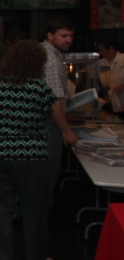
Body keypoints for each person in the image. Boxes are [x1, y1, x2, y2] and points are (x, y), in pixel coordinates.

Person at [0, 40, 60, 260]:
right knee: (34, 208)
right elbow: (56, 114)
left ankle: (2, 256)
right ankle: (37, 257)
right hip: (31, 156)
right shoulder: (39, 89)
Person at [42, 16, 80, 211]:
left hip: (44, 122)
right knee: (48, 173)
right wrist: (66, 130)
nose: (68, 40)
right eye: (63, 35)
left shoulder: (52, 54)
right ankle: (40, 218)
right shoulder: (50, 59)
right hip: (49, 124)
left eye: (71, 36)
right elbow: (52, 100)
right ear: (50, 36)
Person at [96, 39, 124, 114]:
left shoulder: (122, 59)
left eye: (102, 50)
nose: (100, 53)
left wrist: (122, 86)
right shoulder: (101, 62)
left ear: (111, 49)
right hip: (110, 102)